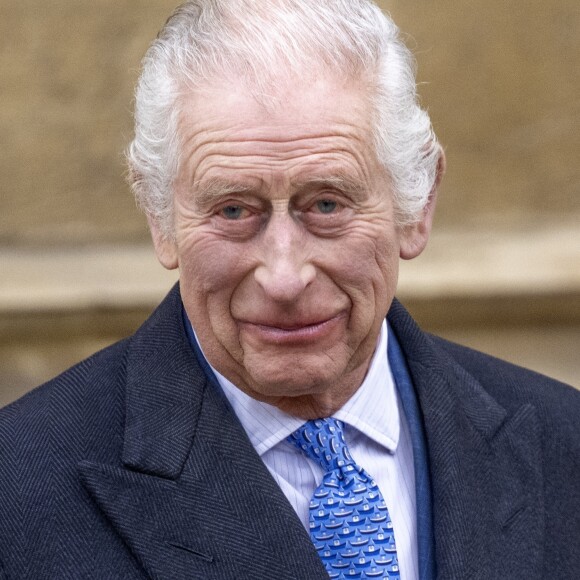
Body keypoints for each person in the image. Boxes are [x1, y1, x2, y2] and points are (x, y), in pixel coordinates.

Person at [0, 0, 578, 578]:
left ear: (417, 204)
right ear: (160, 217)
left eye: (326, 204)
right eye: (233, 210)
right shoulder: (18, 490)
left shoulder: (565, 446)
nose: (284, 276)